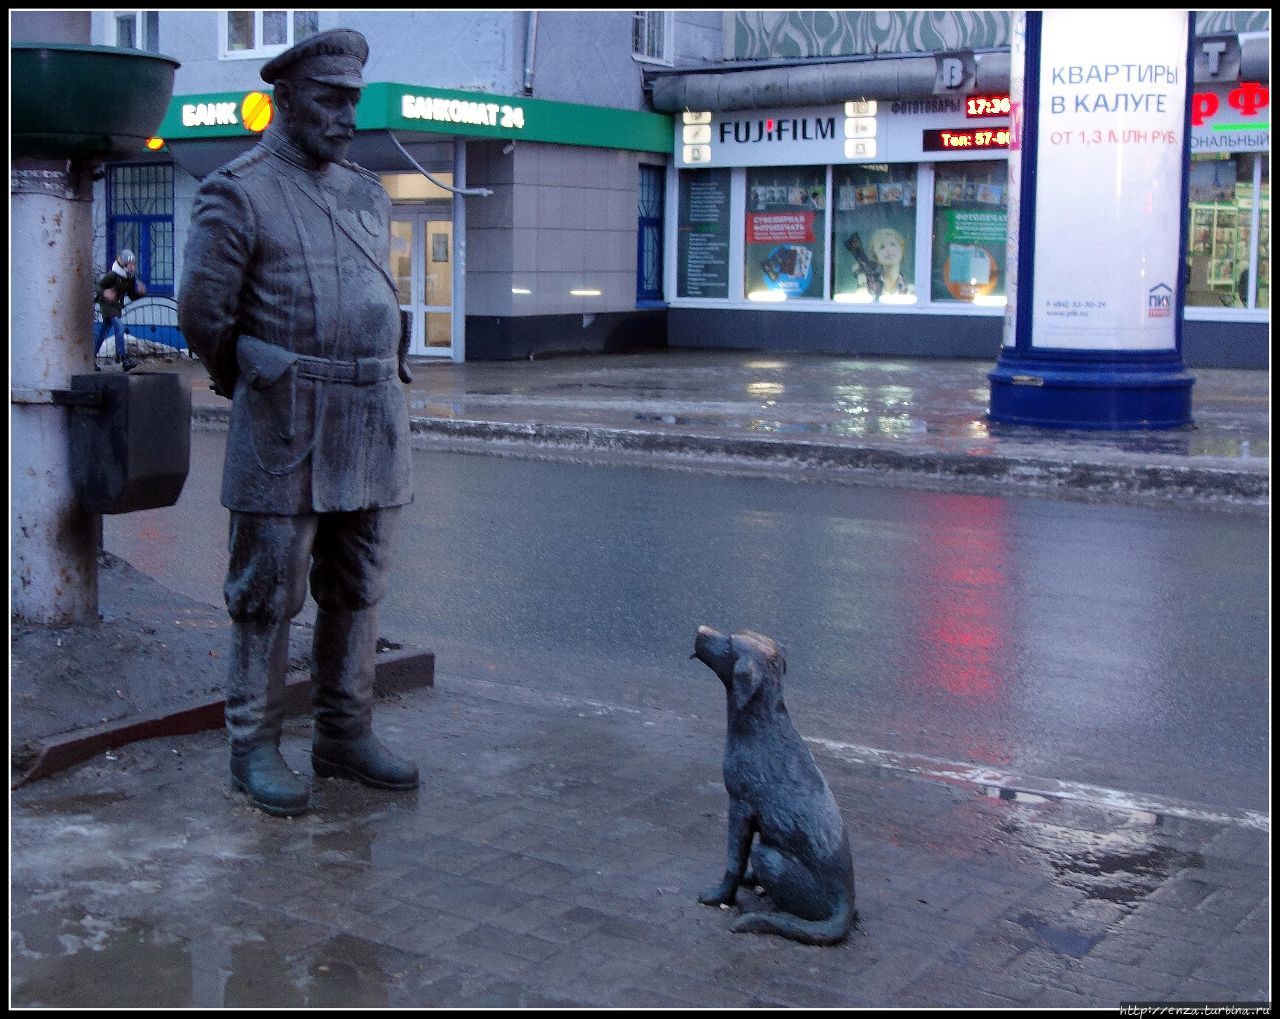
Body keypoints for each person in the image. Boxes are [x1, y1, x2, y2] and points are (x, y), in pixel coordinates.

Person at [178, 28, 418, 817]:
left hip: (370, 420)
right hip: (286, 422)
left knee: (358, 586)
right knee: (266, 593)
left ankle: (343, 733)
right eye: (332, 99)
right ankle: (253, 743)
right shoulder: (239, 190)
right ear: (285, 99)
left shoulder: (364, 192)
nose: (348, 116)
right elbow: (204, 314)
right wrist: (254, 377)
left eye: (354, 100)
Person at [94, 248, 146, 370]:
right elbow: (98, 286)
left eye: (134, 264)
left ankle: (91, 358)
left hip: (116, 305)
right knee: (119, 326)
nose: (133, 267)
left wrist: (141, 292)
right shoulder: (113, 275)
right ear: (124, 264)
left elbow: (132, 295)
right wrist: (105, 292)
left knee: (104, 331)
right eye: (131, 264)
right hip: (107, 303)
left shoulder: (130, 278)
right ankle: (123, 359)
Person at [844, 227, 914, 300]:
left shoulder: (913, 293)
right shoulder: (866, 288)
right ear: (876, 256)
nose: (888, 250)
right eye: (882, 247)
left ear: (901, 250)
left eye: (893, 244)